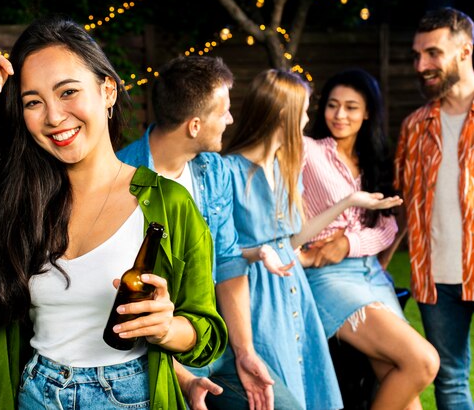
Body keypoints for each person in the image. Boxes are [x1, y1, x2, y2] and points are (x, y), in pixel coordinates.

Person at [0, 16, 227, 410]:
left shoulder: (169, 203)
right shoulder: (3, 201)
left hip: (135, 398)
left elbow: (204, 331)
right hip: (36, 394)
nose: (54, 117)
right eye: (33, 102)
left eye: (68, 91)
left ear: (107, 91)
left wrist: (167, 328)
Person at [118, 56, 302, 410]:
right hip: (157, 359)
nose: (230, 120)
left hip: (217, 346)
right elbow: (124, 309)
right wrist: (183, 378)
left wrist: (245, 352)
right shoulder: (123, 181)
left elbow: (229, 263)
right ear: (195, 125)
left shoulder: (213, 170)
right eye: (224, 112)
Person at [219, 68, 404, 410]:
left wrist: (348, 202)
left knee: (308, 391)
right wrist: (257, 252)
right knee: (277, 391)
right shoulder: (227, 171)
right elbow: (220, 254)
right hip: (257, 296)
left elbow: (292, 241)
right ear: (284, 115)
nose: (309, 117)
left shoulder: (284, 167)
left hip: (294, 291)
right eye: (303, 109)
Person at [302, 68, 439, 409]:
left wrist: (349, 242)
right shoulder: (308, 151)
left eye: (351, 107)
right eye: (332, 105)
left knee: (403, 382)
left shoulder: (375, 162)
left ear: (367, 113)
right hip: (329, 279)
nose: (340, 115)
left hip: (372, 276)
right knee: (423, 361)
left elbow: (388, 227)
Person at [393, 7, 474, 410]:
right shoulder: (413, 126)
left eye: (433, 53)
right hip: (435, 280)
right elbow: (401, 208)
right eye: (416, 54)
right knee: (451, 380)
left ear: (464, 50)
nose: (422, 65)